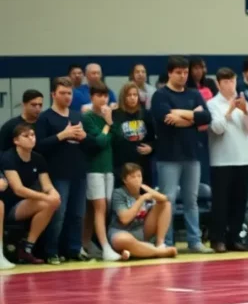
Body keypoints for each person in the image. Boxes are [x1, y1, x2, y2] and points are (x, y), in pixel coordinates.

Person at [150, 55, 213, 253]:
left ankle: (194, 241)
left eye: (185, 72)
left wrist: (181, 115)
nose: (183, 76)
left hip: (192, 154)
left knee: (191, 201)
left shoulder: (194, 94)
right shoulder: (160, 95)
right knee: (167, 200)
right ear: (170, 73)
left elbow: (206, 117)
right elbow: (166, 118)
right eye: (179, 72)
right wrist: (192, 117)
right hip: (168, 156)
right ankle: (166, 242)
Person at [34, 76, 90, 262]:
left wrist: (84, 137)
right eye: (63, 93)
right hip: (57, 173)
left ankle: (73, 248)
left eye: (69, 93)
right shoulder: (45, 118)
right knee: (59, 214)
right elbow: (39, 146)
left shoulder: (77, 115)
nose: (67, 96)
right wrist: (62, 135)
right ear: (53, 94)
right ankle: (51, 251)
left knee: (77, 214)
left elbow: (87, 146)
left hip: (78, 171)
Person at [207, 68, 248, 252]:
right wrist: (229, 111)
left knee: (239, 201)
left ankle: (234, 237)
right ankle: (217, 239)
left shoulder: (242, 102)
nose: (230, 85)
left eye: (233, 81)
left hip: (243, 160)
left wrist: (245, 111)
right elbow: (218, 128)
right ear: (219, 84)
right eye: (226, 82)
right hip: (221, 161)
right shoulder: (212, 104)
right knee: (221, 203)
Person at [0, 124, 60, 265]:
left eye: (33, 135)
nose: (31, 139)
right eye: (26, 136)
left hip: (27, 202)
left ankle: (27, 247)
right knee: (47, 201)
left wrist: (54, 193)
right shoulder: (9, 157)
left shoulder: (38, 158)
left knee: (53, 202)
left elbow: (46, 185)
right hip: (10, 204)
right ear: (16, 141)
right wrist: (46, 197)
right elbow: (18, 189)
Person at [81, 85, 127, 260]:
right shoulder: (88, 118)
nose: (103, 100)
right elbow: (99, 141)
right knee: (99, 207)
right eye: (99, 95)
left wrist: (110, 123)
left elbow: (118, 138)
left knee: (98, 209)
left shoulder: (109, 117)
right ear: (92, 97)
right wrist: (108, 124)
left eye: (105, 96)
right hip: (94, 169)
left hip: (108, 168)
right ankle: (106, 247)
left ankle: (86, 243)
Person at [108, 163, 177, 259]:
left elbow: (165, 199)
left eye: (139, 176)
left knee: (166, 204)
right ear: (125, 180)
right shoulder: (119, 193)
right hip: (123, 231)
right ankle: (159, 252)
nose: (137, 179)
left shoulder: (145, 192)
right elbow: (125, 219)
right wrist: (141, 199)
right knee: (121, 240)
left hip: (142, 231)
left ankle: (159, 244)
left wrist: (151, 191)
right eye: (133, 177)